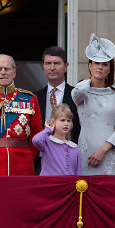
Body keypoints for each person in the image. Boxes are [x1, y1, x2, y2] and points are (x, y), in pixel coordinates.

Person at [72, 33, 115, 175]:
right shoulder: (82, 91)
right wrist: (89, 80)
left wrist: (103, 150)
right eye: (96, 63)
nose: (100, 67)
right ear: (90, 66)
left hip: (108, 153)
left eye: (105, 64)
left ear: (109, 69)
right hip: (85, 152)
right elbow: (77, 92)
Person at [35, 46, 81, 174]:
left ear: (66, 66)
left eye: (57, 63)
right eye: (48, 63)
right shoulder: (35, 97)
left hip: (66, 161)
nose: (52, 67)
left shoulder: (76, 95)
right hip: (40, 161)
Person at [32, 104, 81, 175]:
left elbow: (78, 173)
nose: (66, 123)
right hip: (50, 184)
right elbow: (36, 140)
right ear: (52, 122)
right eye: (62, 120)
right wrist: (48, 130)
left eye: (69, 121)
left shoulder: (74, 147)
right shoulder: (47, 142)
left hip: (69, 185)